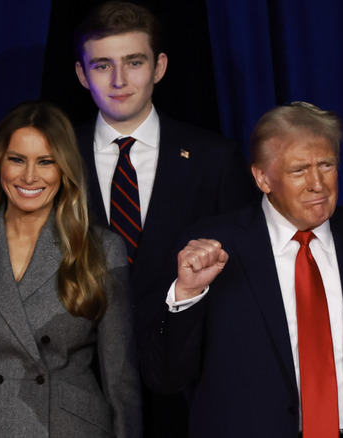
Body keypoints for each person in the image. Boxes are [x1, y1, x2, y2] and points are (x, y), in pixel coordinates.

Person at [141, 102, 343, 437]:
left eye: (326, 165)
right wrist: (186, 296)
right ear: (262, 178)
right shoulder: (213, 248)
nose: (318, 184)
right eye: (299, 170)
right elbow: (165, 377)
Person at [72, 2, 255, 436]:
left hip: (188, 393)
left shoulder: (214, 159)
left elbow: (244, 278)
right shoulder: (53, 159)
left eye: (134, 62)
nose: (119, 81)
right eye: (102, 65)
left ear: (159, 67)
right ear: (82, 74)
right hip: (78, 393)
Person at [0, 101, 141, 438]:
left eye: (45, 162)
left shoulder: (99, 249)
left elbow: (120, 376)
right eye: (17, 159)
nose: (29, 176)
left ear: (63, 168)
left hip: (70, 426)